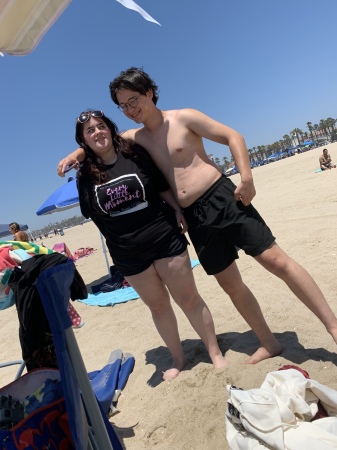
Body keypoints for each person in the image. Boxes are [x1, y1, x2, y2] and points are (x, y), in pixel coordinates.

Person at [58, 68, 337, 364]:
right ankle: (268, 342)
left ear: (149, 92)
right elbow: (101, 140)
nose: (130, 109)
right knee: (230, 284)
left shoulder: (183, 118)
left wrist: (247, 177)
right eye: (123, 105)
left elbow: (233, 136)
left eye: (133, 99)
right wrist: (75, 156)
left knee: (277, 261)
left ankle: (333, 327)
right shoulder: (134, 138)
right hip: (194, 218)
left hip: (221, 197)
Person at [71, 109, 229, 380]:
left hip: (164, 238)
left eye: (101, 126)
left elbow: (158, 186)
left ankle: (214, 351)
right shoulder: (85, 174)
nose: (97, 132)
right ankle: (178, 358)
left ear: (110, 128)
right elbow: (95, 216)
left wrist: (177, 210)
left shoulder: (134, 153)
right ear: (83, 140)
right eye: (90, 130)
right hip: (129, 255)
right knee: (158, 307)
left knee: (188, 298)